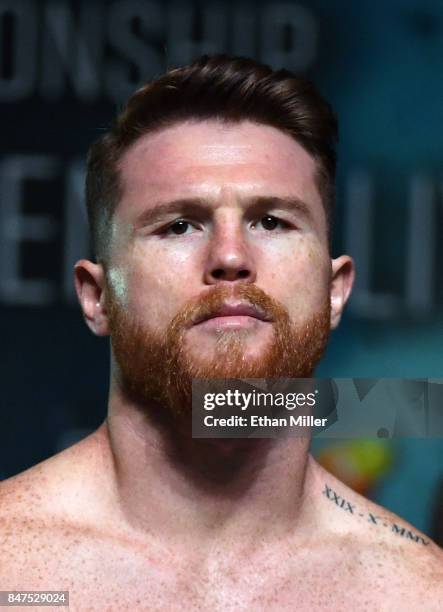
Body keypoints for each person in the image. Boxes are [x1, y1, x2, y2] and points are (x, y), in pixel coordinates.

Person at [0, 55, 441, 610]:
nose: (231, 257)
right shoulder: (10, 568)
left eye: (272, 221)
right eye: (178, 224)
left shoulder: (416, 594)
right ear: (97, 296)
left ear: (336, 291)